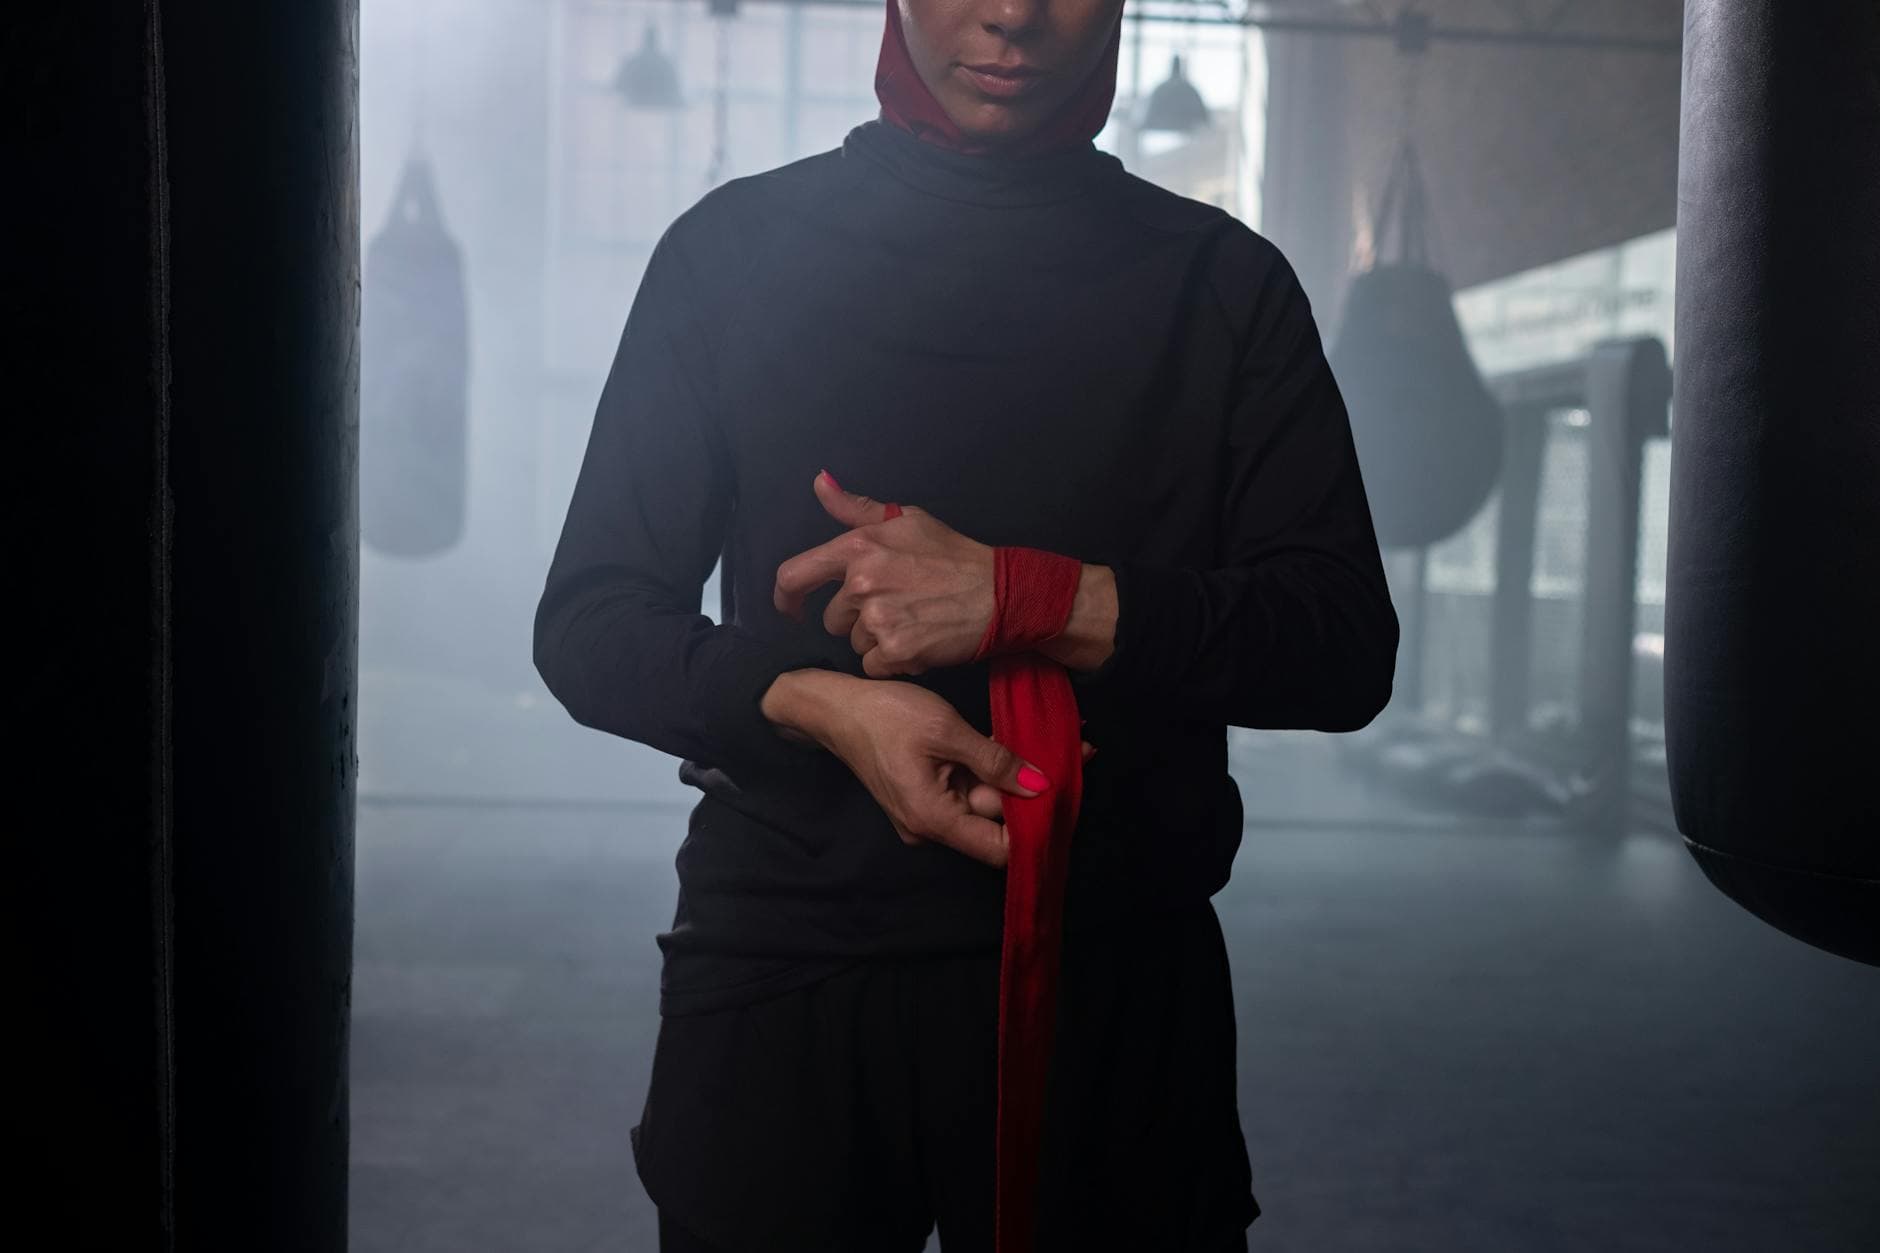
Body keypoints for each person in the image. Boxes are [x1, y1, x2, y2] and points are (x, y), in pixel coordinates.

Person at [533, 0, 1399, 1248]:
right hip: (788, 961)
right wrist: (823, 705)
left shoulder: (1220, 284)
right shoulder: (730, 252)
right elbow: (591, 621)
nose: (1009, 13)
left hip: (1113, 973)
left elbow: (1339, 645)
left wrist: (1033, 597)